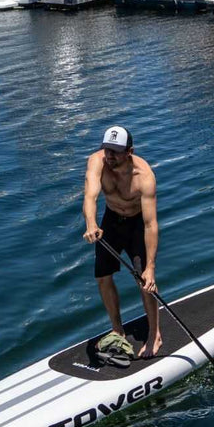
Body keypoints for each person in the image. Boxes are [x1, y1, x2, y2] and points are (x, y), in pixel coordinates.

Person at [83, 125, 161, 360]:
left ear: (129, 151)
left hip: (137, 225)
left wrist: (151, 268)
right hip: (111, 222)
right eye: (107, 150)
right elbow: (90, 195)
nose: (109, 156)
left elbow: (150, 225)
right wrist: (91, 223)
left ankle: (155, 334)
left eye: (115, 152)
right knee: (102, 277)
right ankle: (118, 329)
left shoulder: (144, 176)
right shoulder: (97, 162)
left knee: (143, 279)